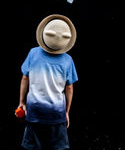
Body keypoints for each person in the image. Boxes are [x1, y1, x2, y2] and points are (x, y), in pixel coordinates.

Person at [17, 14, 78, 150]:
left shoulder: (33, 53)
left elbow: (24, 78)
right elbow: (69, 88)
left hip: (34, 112)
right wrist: (66, 111)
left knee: (31, 147)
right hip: (57, 114)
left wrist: (22, 102)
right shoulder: (68, 60)